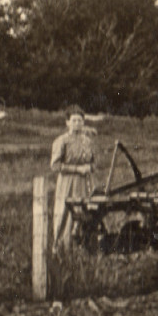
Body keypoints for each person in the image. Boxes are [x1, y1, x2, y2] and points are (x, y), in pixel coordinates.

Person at [50, 105, 95, 251]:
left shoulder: (88, 141)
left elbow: (94, 162)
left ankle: (82, 246)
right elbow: (55, 165)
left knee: (85, 212)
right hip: (67, 183)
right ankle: (61, 246)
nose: (77, 124)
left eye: (80, 121)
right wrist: (77, 169)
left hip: (85, 183)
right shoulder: (61, 141)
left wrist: (90, 168)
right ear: (67, 123)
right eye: (74, 120)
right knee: (65, 213)